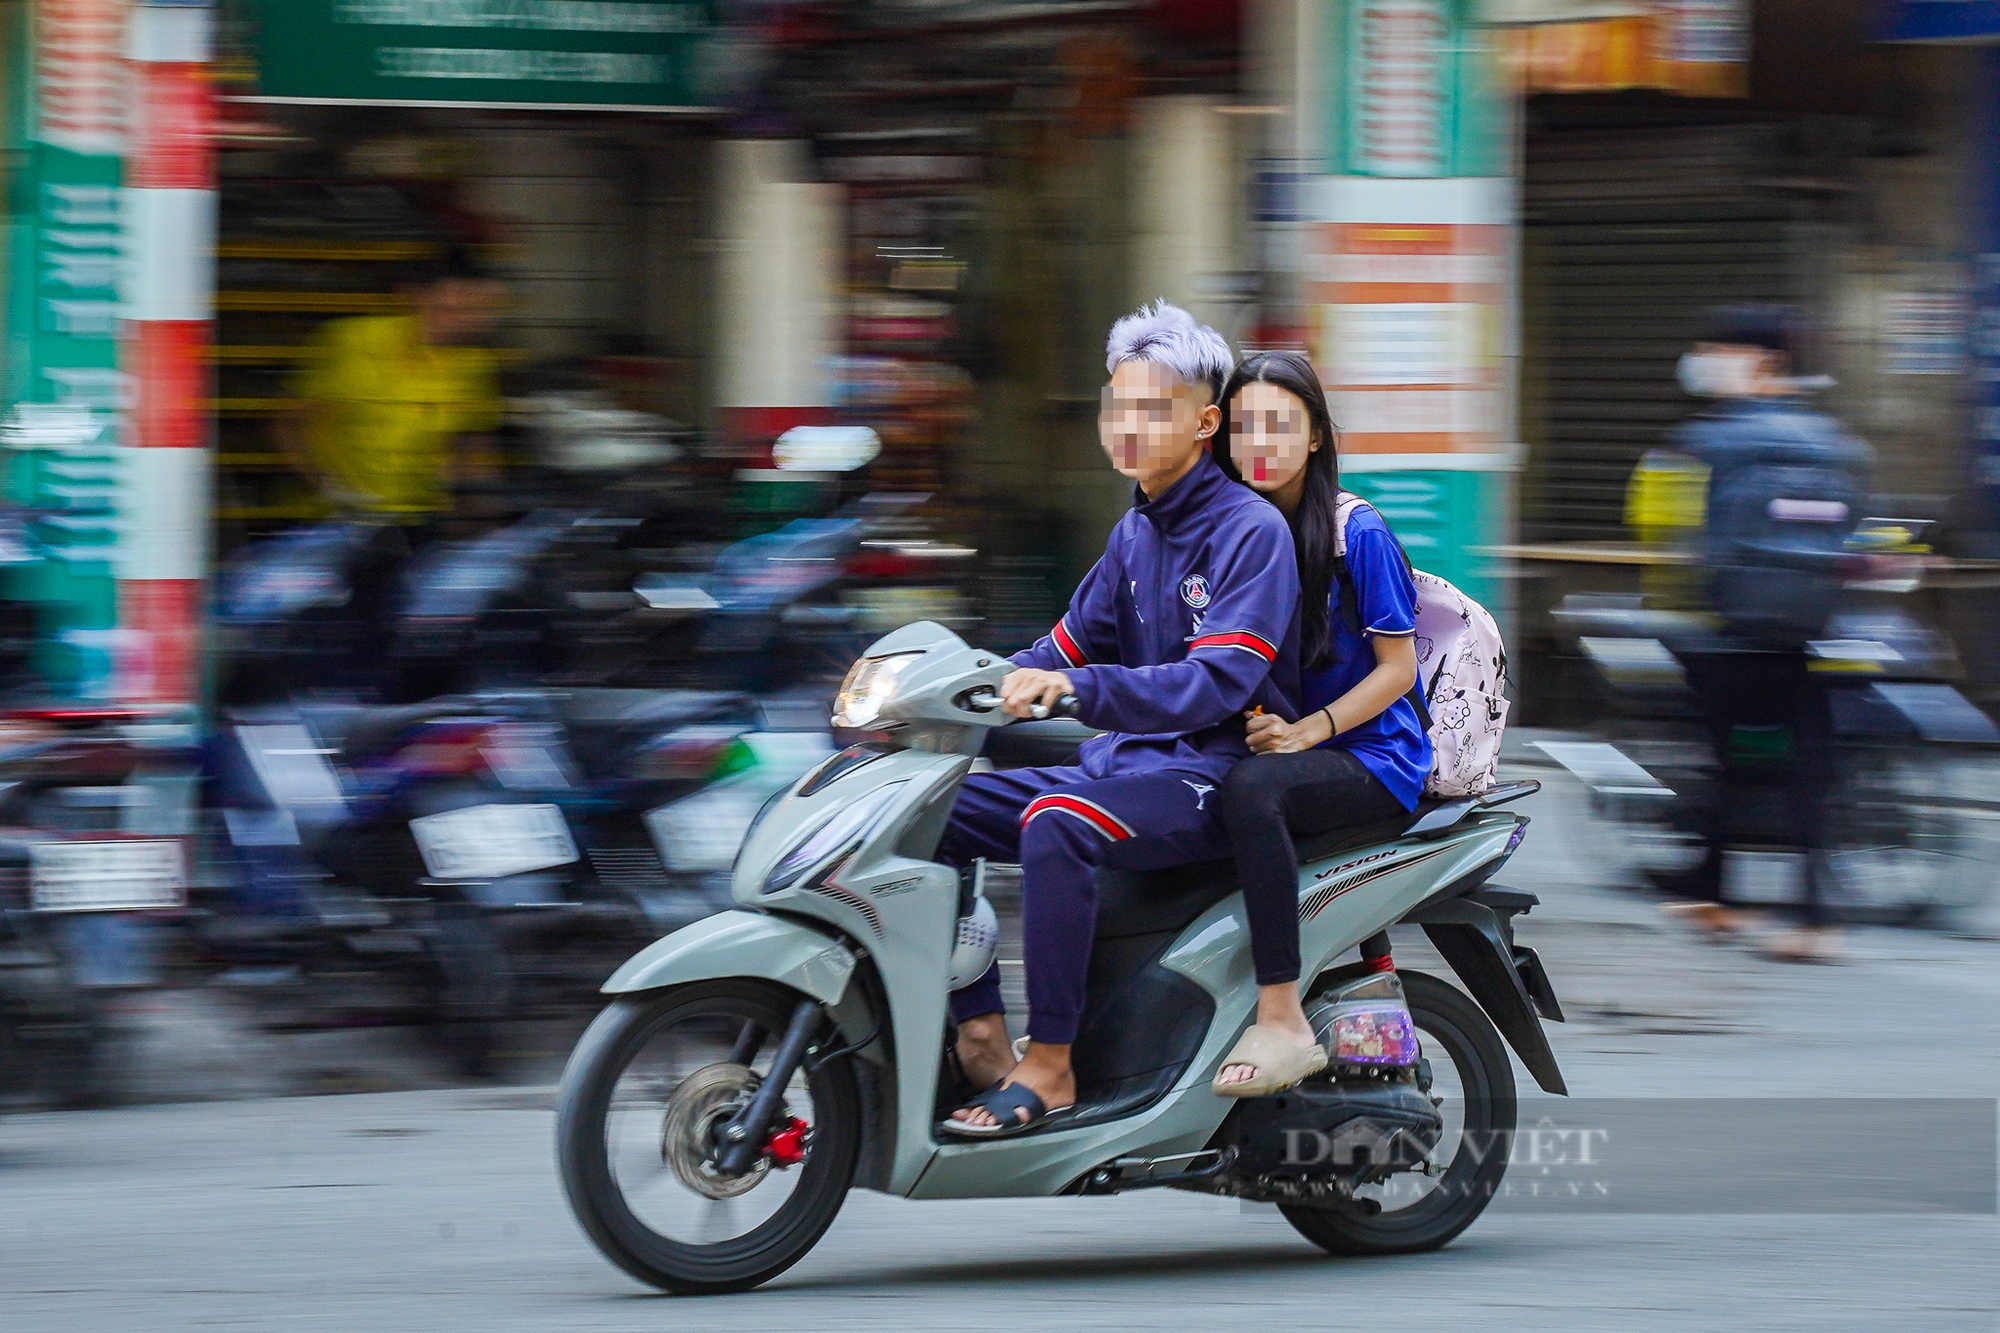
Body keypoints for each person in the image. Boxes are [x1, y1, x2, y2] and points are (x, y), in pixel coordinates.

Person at [942, 303, 1302, 1135]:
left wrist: (1081, 692)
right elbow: (1056, 650)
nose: (1128, 425)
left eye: (1154, 408)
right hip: (1126, 768)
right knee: (934, 809)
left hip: (1205, 775)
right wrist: (949, 687)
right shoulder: (1135, 534)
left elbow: (1213, 683)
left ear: (1206, 421)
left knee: (1054, 821)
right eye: (1118, 405)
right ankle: (980, 1028)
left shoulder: (1251, 532)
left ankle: (1053, 1065)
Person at [1197, 351, 1434, 1096]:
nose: (1256, 443)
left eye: (1277, 424)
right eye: (1241, 428)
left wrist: (1308, 732)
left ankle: (1282, 1016)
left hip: (1374, 755)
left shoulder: (1354, 533)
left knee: (1251, 791)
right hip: (1295, 738)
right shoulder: (1230, 528)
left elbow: (1398, 670)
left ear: (1318, 436)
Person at [1654, 305, 1870, 963]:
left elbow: (1683, 529)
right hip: (1805, 627)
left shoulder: (1717, 437)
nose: (1707, 362)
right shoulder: (1834, 439)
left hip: (1732, 625)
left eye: (1720, 350)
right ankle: (1768, 906)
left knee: (1728, 761)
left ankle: (1741, 900)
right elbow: (1857, 529)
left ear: (1761, 360)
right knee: (1796, 767)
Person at [283, 244, 507, 522]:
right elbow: (288, 423)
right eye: (452, 308)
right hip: (332, 522)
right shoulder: (350, 341)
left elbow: (476, 453)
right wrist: (325, 486)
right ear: (420, 297)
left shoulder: (474, 365)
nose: (465, 321)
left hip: (417, 521)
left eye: (475, 312)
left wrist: (485, 522)